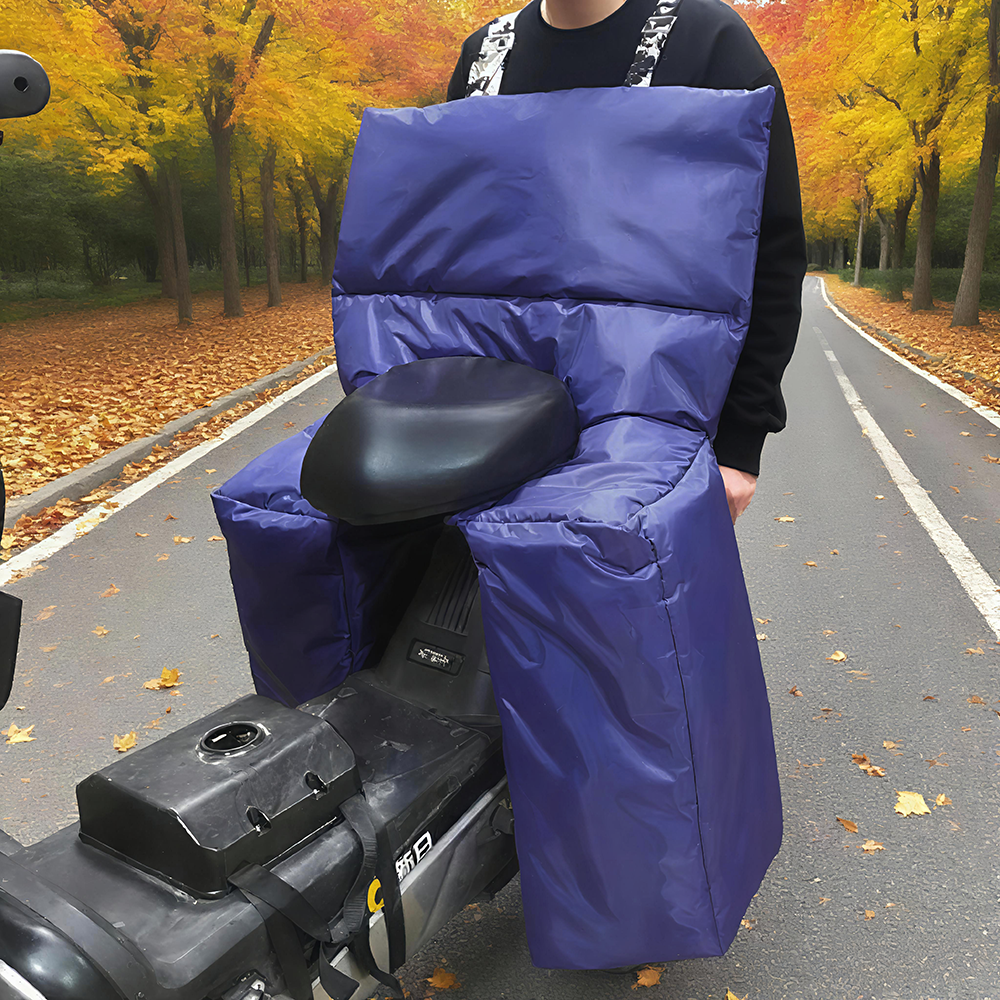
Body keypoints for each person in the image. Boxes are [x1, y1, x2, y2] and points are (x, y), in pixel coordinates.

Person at [447, 0, 807, 523]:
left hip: (654, 438)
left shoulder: (706, 42)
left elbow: (770, 246)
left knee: (619, 597)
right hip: (485, 425)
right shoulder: (485, 60)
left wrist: (738, 446)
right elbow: (448, 257)